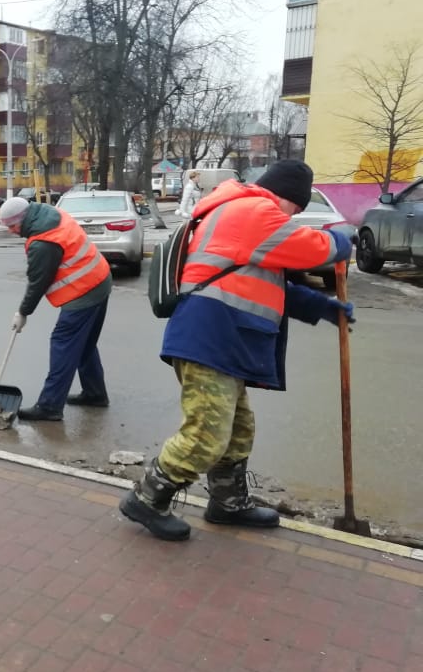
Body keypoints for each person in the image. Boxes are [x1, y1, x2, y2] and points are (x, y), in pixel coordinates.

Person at [119, 160, 354, 541]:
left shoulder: (241, 214)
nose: (294, 217)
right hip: (210, 338)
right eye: (296, 209)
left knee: (238, 429)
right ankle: (147, 499)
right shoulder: (252, 209)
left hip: (221, 339)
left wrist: (321, 307)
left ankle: (227, 502)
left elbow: (259, 280)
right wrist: (341, 241)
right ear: (287, 198)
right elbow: (307, 248)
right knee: (207, 433)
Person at [0, 196, 113, 421]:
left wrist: (23, 313)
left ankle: (50, 406)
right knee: (85, 344)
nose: (11, 231)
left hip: (84, 292)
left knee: (63, 344)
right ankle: (95, 394)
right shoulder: (51, 214)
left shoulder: (43, 242)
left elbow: (38, 283)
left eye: (12, 226)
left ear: (23, 218)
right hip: (99, 279)